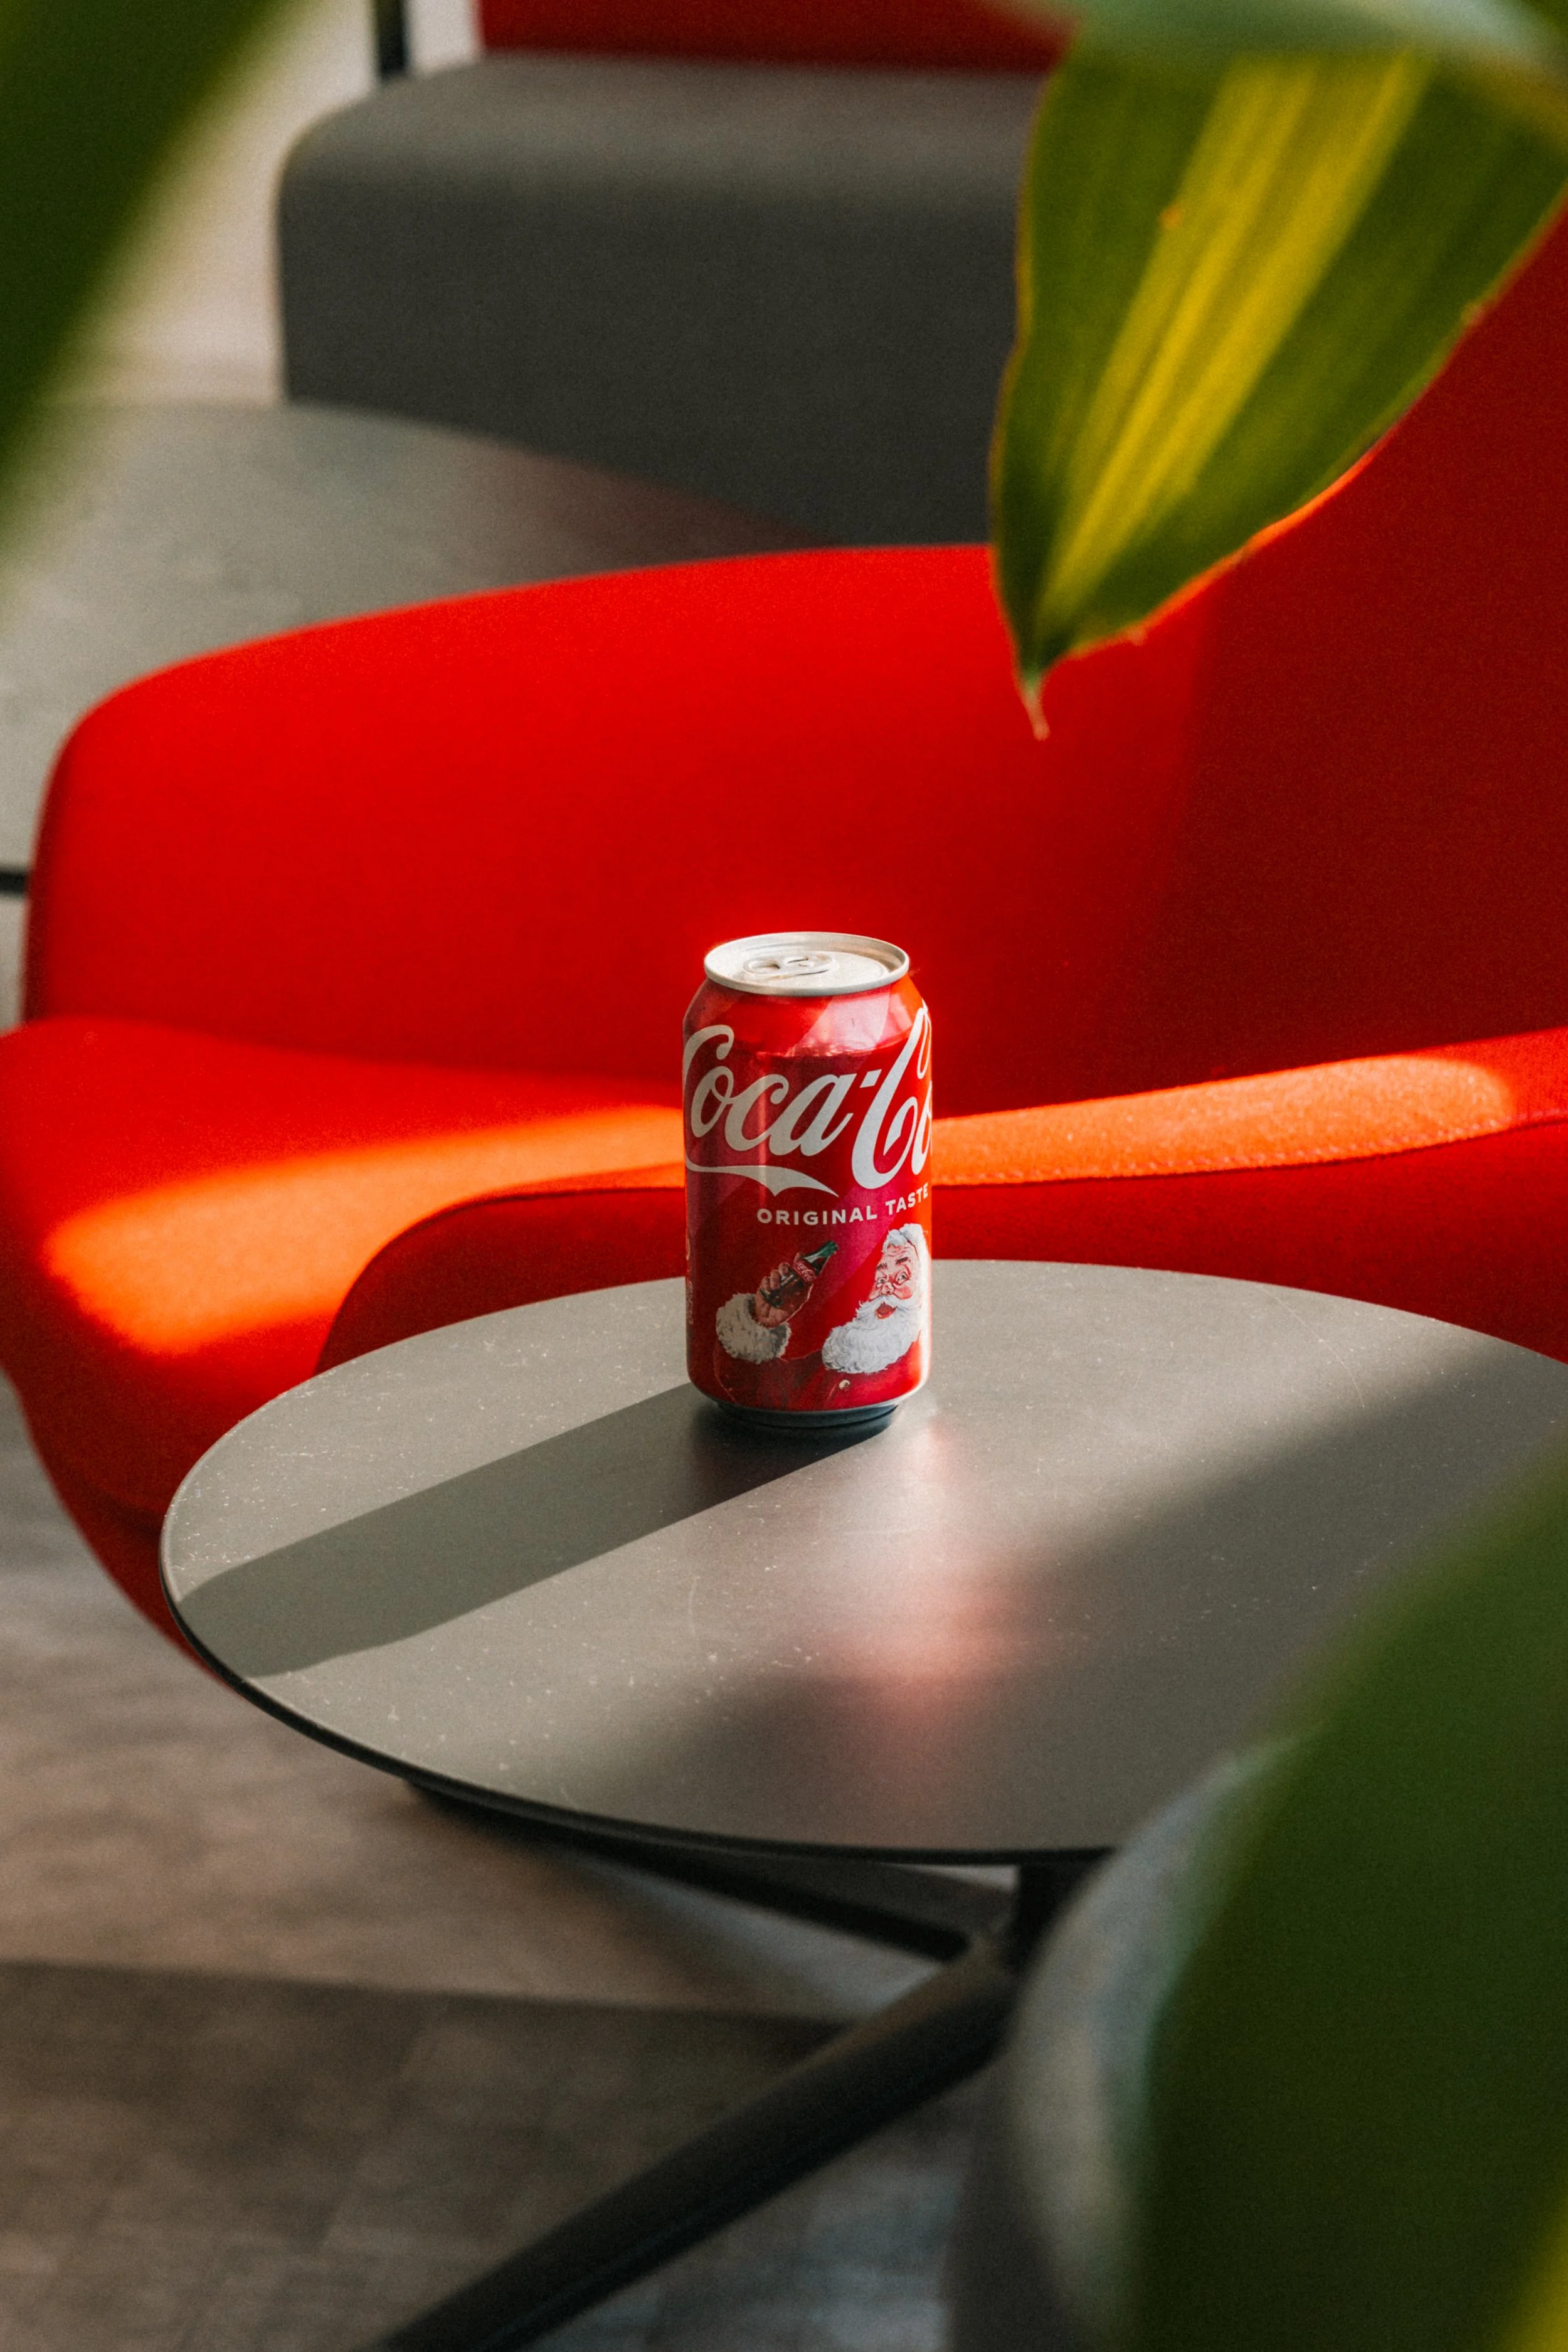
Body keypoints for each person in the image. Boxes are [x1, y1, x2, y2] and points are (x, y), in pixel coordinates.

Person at [713, 1222, 928, 1413]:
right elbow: (758, 1389)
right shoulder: (845, 1354)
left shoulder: (906, 1364)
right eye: (881, 1278)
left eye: (902, 1277)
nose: (886, 1288)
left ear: (922, 1288)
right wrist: (759, 1320)